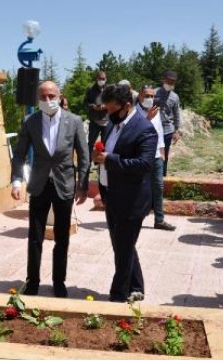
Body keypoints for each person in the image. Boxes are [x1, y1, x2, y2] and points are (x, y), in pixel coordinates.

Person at [10, 81, 89, 298]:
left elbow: (84, 155)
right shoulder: (31, 122)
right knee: (35, 236)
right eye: (43, 97)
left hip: (64, 185)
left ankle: (59, 281)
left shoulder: (74, 121)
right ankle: (32, 281)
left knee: (62, 237)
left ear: (59, 95)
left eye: (52, 96)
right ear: (38, 98)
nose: (48, 101)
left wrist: (83, 185)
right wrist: (16, 181)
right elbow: (19, 154)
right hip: (39, 185)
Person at [92, 84, 158, 302]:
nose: (108, 115)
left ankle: (118, 294)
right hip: (111, 194)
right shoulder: (112, 125)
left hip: (132, 199)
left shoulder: (144, 129)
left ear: (127, 106)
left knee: (123, 247)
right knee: (123, 244)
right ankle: (136, 286)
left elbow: (144, 164)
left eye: (112, 110)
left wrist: (110, 160)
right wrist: (99, 155)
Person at [136, 86, 176, 231]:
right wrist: (147, 119)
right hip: (141, 156)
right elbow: (134, 132)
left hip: (157, 155)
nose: (149, 99)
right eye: (147, 95)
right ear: (140, 95)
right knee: (141, 187)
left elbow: (159, 131)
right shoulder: (134, 112)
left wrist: (162, 150)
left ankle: (159, 219)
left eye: (152, 96)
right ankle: (137, 217)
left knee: (158, 186)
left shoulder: (156, 110)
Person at [153, 70, 181, 177]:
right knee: (152, 153)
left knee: (164, 155)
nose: (170, 84)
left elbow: (177, 114)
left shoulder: (175, 97)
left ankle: (162, 177)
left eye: (172, 82)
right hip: (154, 129)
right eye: (168, 81)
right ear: (163, 80)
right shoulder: (154, 93)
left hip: (167, 130)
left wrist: (177, 131)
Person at [84, 71, 108, 156]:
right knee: (90, 144)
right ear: (96, 79)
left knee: (105, 145)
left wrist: (105, 106)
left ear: (106, 79)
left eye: (103, 79)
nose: (101, 80)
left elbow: (113, 102)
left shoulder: (109, 89)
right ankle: (87, 165)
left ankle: (101, 166)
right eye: (100, 78)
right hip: (94, 121)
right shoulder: (90, 89)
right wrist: (92, 106)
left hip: (107, 121)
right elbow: (85, 103)